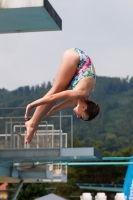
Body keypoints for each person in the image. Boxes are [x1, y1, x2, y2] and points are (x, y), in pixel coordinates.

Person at [24, 48, 100, 144]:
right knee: (57, 89)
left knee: (60, 90)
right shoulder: (79, 94)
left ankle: (32, 123)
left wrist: (37, 122)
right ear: (84, 107)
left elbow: (54, 109)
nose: (77, 116)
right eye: (81, 116)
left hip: (80, 65)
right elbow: (52, 97)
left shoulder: (77, 100)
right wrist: (31, 105)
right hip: (76, 56)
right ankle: (31, 124)